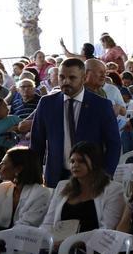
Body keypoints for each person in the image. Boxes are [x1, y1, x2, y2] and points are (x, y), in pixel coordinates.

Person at [30, 57, 121, 187]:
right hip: (55, 177)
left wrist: (106, 176)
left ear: (84, 78)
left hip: (91, 177)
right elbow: (37, 143)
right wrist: (36, 176)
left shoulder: (101, 106)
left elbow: (114, 145)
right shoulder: (47, 104)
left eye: (72, 78)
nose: (66, 82)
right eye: (62, 77)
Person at [0, 146, 50, 231]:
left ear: (18, 169)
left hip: (26, 241)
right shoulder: (3, 188)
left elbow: (25, 227)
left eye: (3, 163)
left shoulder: (41, 194)